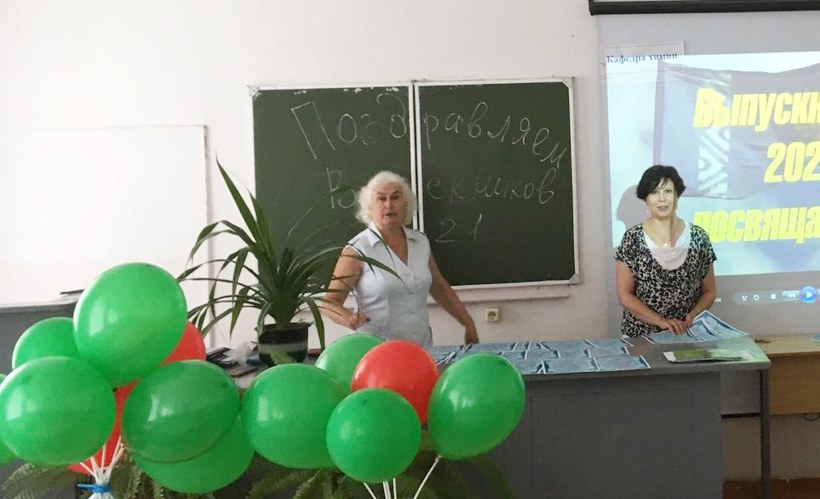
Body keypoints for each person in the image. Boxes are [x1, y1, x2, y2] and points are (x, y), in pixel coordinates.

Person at [322, 171, 479, 346]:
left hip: (421, 346)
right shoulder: (357, 249)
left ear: (406, 204)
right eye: (381, 198)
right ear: (369, 207)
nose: (389, 204)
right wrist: (348, 318)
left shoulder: (420, 242)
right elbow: (329, 303)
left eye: (395, 197)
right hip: (377, 349)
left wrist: (468, 323)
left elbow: (439, 287)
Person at [614, 165, 717, 337]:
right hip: (641, 338)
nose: (662, 199)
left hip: (687, 335)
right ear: (646, 199)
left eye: (668, 191)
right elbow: (625, 295)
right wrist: (661, 321)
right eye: (655, 192)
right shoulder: (632, 239)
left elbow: (710, 291)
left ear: (677, 196)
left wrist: (692, 316)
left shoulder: (699, 237)